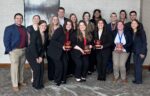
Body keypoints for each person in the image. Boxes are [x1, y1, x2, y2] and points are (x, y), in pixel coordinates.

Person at [3, 13, 27, 92]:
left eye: (20, 18)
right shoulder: (9, 28)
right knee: (14, 68)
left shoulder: (24, 28)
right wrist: (9, 50)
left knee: (21, 67)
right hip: (14, 51)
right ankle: (15, 84)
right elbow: (6, 40)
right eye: (17, 18)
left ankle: (20, 81)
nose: (19, 19)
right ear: (14, 19)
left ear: (22, 19)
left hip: (23, 50)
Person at [26, 20, 47, 89]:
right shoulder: (35, 33)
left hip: (39, 54)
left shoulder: (45, 35)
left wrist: (41, 56)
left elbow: (43, 47)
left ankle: (40, 83)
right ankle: (35, 84)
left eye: (45, 25)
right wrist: (37, 57)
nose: (44, 27)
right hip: (31, 54)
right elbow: (32, 46)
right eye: (42, 25)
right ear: (39, 26)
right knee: (37, 69)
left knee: (42, 69)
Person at [47, 16, 65, 86]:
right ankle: (51, 77)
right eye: (53, 19)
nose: (55, 20)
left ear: (58, 20)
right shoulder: (49, 28)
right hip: (50, 49)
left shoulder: (60, 28)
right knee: (51, 64)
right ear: (51, 20)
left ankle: (57, 79)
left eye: (56, 19)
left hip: (57, 49)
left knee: (58, 65)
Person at [131, 19, 147, 84]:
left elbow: (144, 43)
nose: (133, 24)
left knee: (138, 66)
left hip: (141, 52)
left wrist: (143, 52)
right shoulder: (132, 32)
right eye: (132, 23)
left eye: (135, 23)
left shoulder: (141, 32)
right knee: (136, 66)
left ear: (137, 24)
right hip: (135, 52)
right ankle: (137, 79)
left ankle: (139, 81)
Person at [27, 15, 41, 83]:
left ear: (39, 20)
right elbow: (28, 40)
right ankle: (33, 77)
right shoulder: (29, 28)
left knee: (37, 65)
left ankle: (36, 77)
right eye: (34, 18)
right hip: (31, 49)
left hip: (39, 49)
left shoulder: (40, 27)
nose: (36, 19)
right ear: (32, 19)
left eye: (37, 18)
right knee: (34, 66)